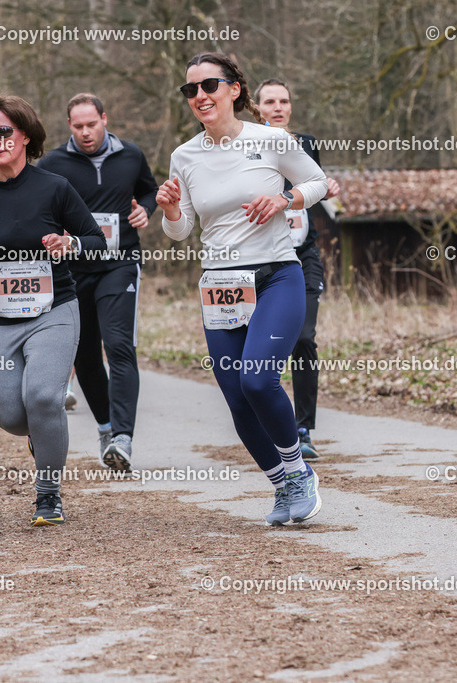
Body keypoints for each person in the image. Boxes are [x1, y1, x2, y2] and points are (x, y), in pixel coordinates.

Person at [157, 53, 328, 526]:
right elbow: (181, 230)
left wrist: (285, 197)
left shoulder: (270, 139)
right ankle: (282, 483)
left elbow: (317, 181)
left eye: (209, 85)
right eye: (190, 89)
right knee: (235, 395)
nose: (199, 96)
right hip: (220, 284)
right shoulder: (184, 156)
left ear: (234, 89)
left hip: (276, 275)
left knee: (257, 379)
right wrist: (170, 210)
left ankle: (299, 472)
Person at [0, 93, 106, 526]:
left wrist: (69, 243)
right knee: (11, 415)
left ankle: (48, 495)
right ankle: (42, 434)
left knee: (43, 397)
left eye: (4, 131)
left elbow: (96, 241)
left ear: (25, 136)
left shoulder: (54, 187)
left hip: (54, 310)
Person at [39, 93, 159, 472]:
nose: (86, 132)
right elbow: (40, 206)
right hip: (74, 269)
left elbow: (149, 190)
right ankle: (106, 427)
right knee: (85, 355)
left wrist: (146, 209)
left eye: (92, 124)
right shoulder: (54, 163)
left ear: (105, 119)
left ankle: (123, 438)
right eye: (78, 126)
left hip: (120, 263)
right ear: (69, 126)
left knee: (119, 345)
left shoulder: (131, 155)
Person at [256, 78, 342, 461]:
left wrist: (327, 189)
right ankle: (268, 422)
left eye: (284, 101)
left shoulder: (305, 143)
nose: (278, 107)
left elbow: (313, 188)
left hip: (302, 254)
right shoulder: (245, 145)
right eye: (270, 102)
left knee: (304, 338)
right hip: (258, 257)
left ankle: (303, 428)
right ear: (257, 108)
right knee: (261, 344)